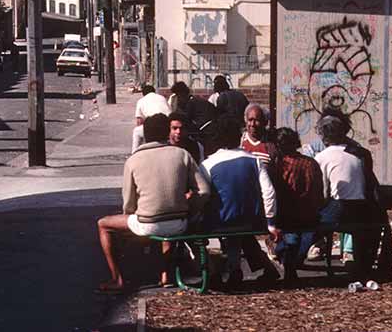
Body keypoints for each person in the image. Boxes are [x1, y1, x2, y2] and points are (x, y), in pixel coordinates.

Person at [97, 113, 211, 293]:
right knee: (167, 220)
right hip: (178, 223)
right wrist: (190, 208)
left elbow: (128, 204)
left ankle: (117, 278)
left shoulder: (133, 160)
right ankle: (165, 274)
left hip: (147, 224)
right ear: (166, 132)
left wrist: (134, 214)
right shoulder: (182, 154)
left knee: (103, 224)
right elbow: (203, 191)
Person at [199, 116, 281, 287]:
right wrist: (271, 222)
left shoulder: (208, 164)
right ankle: (244, 268)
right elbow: (269, 192)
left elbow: (204, 195)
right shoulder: (254, 160)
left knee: (228, 230)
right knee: (241, 232)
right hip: (251, 220)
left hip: (221, 221)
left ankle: (220, 270)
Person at [314, 115, 378, 284]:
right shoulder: (357, 155)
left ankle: (294, 259)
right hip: (361, 208)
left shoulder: (322, 157)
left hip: (339, 207)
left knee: (311, 223)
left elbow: (323, 192)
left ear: (323, 135)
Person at [268, 128, 324, 283]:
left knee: (290, 239)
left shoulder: (278, 166)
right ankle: (291, 259)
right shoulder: (310, 163)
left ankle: (287, 260)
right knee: (299, 238)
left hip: (285, 215)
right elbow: (318, 193)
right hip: (308, 215)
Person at [131, 84, 171, 153]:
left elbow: (139, 122)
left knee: (136, 131)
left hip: (155, 126)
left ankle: (134, 152)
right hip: (168, 125)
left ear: (143, 94)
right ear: (154, 91)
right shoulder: (162, 98)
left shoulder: (141, 101)